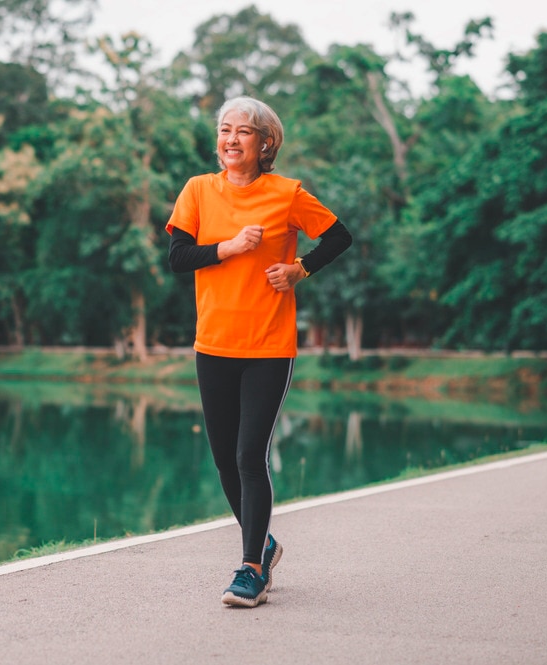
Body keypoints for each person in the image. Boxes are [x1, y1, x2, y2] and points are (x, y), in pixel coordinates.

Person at [166, 96, 352, 608]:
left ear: (265, 142)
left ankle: (251, 569)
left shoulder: (286, 194)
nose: (230, 139)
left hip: (268, 345)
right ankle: (263, 543)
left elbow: (339, 236)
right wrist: (228, 248)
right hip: (214, 343)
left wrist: (301, 269)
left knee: (250, 455)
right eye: (225, 130)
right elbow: (179, 257)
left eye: (243, 132)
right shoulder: (199, 190)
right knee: (225, 458)